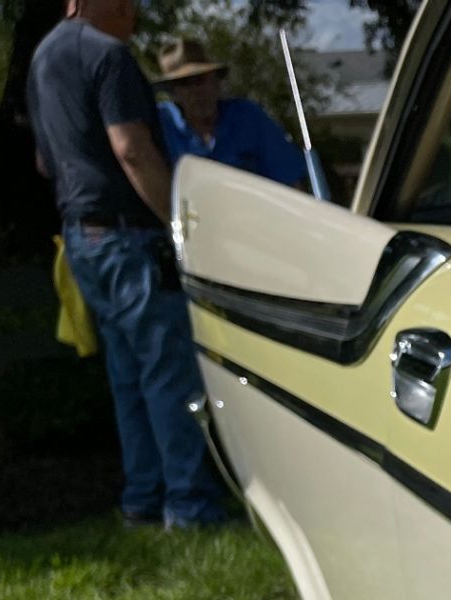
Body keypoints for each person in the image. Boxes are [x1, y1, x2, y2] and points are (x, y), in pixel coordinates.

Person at [27, 0, 230, 529]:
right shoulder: (109, 56)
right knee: (168, 374)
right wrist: (175, 225)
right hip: (129, 236)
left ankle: (142, 499)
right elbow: (131, 148)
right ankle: (190, 508)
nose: (134, 10)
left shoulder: (43, 59)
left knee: (128, 378)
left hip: (82, 239)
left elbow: (44, 162)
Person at [156, 39, 307, 188]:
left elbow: (289, 181)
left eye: (200, 80)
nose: (196, 91)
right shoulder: (160, 124)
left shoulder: (248, 117)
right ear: (173, 92)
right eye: (184, 83)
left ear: (216, 81)